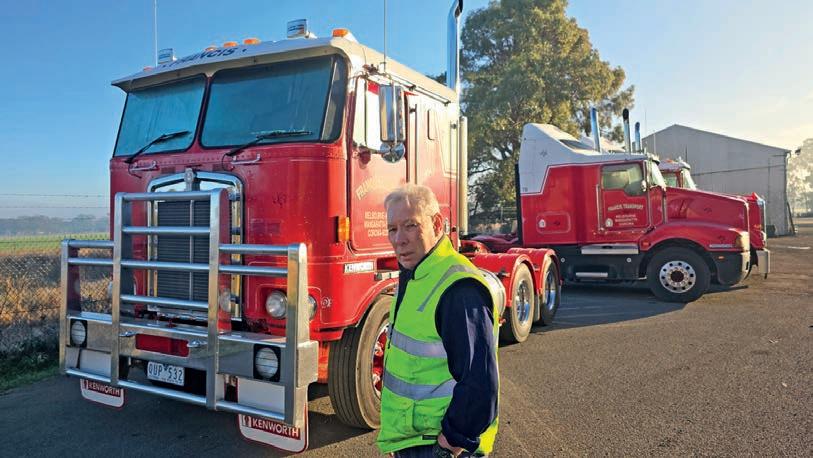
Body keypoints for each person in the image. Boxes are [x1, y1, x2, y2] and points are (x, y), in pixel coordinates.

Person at [376, 184, 500, 458]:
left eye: (410, 226)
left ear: (436, 224)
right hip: (414, 440)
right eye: (392, 229)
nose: (399, 239)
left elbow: (480, 385)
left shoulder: (458, 288)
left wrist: (449, 444)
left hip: (442, 446)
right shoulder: (415, 275)